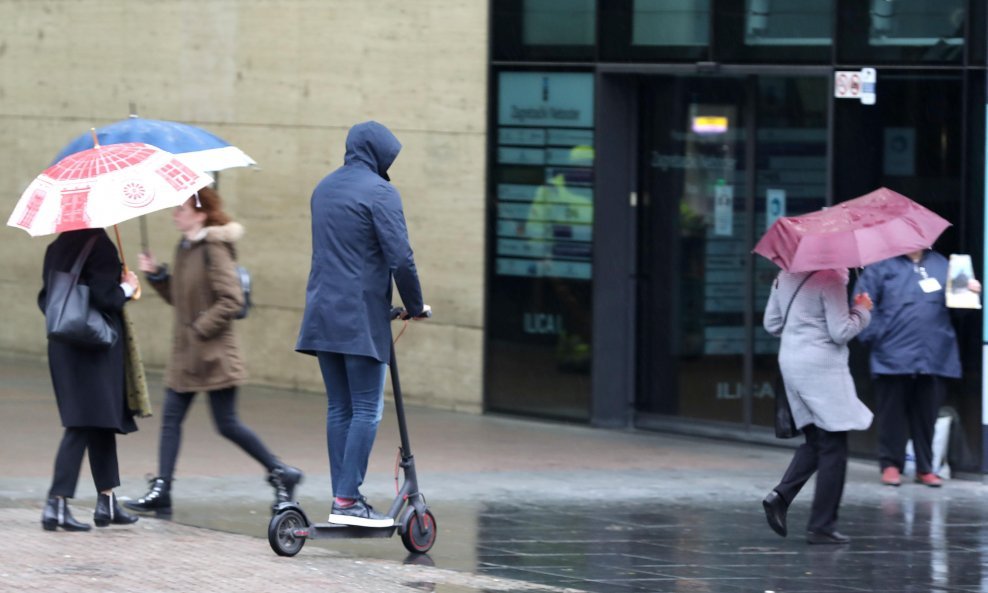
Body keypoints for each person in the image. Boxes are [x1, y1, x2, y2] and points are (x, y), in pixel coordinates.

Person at [126, 188, 303, 515]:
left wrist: (199, 329)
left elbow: (231, 300)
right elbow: (182, 300)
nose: (174, 214)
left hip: (213, 356)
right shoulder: (185, 247)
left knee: (227, 424)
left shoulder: (213, 248)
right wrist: (158, 276)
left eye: (180, 209)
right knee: (171, 420)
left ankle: (281, 471)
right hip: (186, 356)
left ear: (200, 212)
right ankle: (163, 488)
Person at [296, 121, 430, 527]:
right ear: (378, 153)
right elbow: (400, 257)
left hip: (322, 312)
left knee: (340, 407)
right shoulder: (380, 192)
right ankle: (348, 501)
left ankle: (343, 496)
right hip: (359, 317)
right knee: (368, 409)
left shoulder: (324, 188)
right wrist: (415, 305)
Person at [38, 228, 142, 531]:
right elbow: (104, 297)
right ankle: (56, 502)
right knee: (82, 424)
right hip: (95, 346)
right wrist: (126, 288)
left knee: (101, 421)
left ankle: (106, 500)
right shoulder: (101, 246)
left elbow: (47, 298)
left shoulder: (57, 246)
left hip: (64, 345)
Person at [761, 269, 873, 545]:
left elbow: (771, 324)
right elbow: (840, 331)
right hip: (821, 367)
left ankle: (781, 496)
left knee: (817, 440)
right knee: (834, 444)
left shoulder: (784, 275)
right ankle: (822, 526)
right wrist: (861, 310)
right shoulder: (831, 278)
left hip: (791, 362)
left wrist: (801, 325)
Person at [853, 249, 981, 488]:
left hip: (935, 354)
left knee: (927, 415)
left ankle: (925, 468)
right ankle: (891, 465)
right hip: (892, 355)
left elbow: (958, 309)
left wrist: (969, 294)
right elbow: (863, 305)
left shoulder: (943, 264)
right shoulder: (881, 266)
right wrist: (876, 337)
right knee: (891, 414)